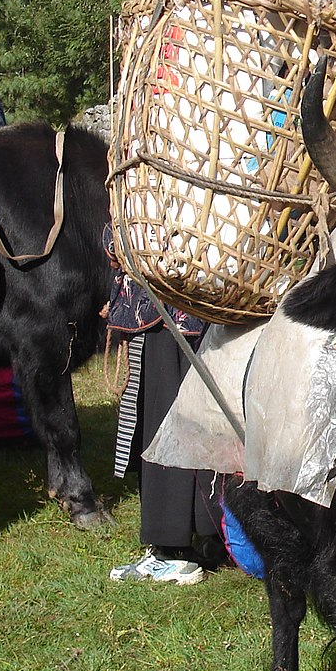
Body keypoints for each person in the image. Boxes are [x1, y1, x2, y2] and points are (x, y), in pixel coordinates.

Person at [104, 228, 227, 584]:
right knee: (204, 412)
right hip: (211, 293)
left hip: (166, 298)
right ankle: (211, 535)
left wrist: (112, 241)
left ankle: (170, 547)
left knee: (164, 415)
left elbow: (123, 235)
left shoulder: (154, 174)